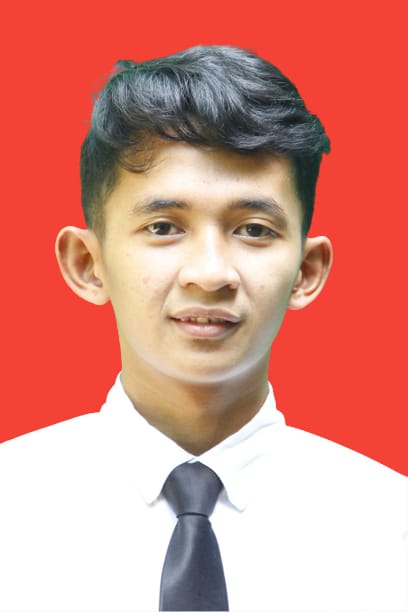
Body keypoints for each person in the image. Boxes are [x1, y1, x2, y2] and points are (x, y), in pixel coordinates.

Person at [0, 45, 407, 612]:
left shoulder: (391, 528)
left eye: (255, 229)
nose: (211, 273)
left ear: (306, 271)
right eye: (164, 227)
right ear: (88, 264)